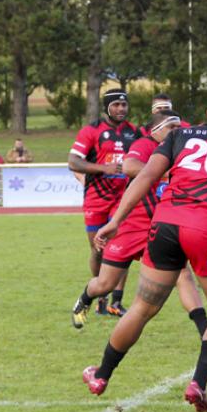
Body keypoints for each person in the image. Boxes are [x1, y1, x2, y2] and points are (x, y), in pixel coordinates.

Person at [82, 87, 207, 412]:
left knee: (141, 308)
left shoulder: (181, 135)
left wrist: (116, 220)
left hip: (164, 226)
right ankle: (198, 383)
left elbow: (145, 176)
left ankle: (101, 374)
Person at [70, 111, 207, 339]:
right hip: (130, 227)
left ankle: (204, 328)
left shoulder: (183, 150)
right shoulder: (144, 144)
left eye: (179, 126)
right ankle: (85, 298)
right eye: (172, 127)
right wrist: (166, 173)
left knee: (182, 275)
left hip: (161, 227)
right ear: (156, 131)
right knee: (105, 284)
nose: (178, 131)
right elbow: (129, 166)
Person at [69, 89, 138, 317]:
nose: (121, 109)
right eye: (116, 105)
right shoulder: (92, 130)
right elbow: (73, 162)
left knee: (120, 250)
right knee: (98, 250)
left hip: (122, 200)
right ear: (107, 107)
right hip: (96, 199)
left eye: (124, 105)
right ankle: (101, 295)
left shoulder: (134, 133)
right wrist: (103, 168)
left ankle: (115, 301)